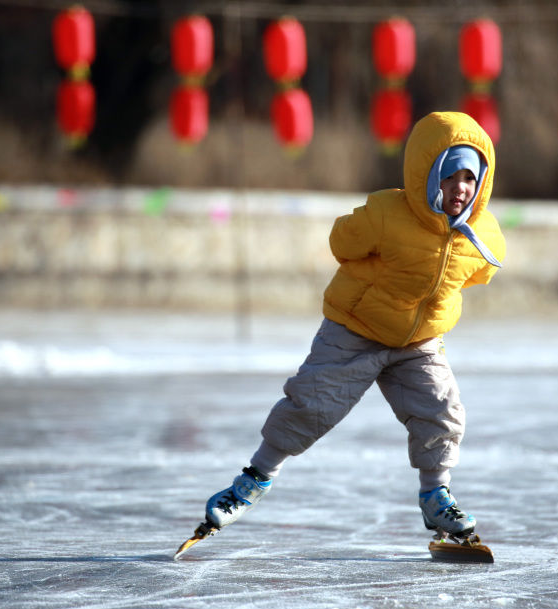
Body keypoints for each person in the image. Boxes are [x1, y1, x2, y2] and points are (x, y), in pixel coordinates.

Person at [194, 111, 506, 543]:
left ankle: (436, 495)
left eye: (469, 180)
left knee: (442, 409)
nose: (460, 189)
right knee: (311, 404)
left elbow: (479, 273)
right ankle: (254, 478)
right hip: (355, 330)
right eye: (450, 177)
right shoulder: (386, 212)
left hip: (418, 342)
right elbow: (342, 241)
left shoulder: (480, 233)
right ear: (428, 174)